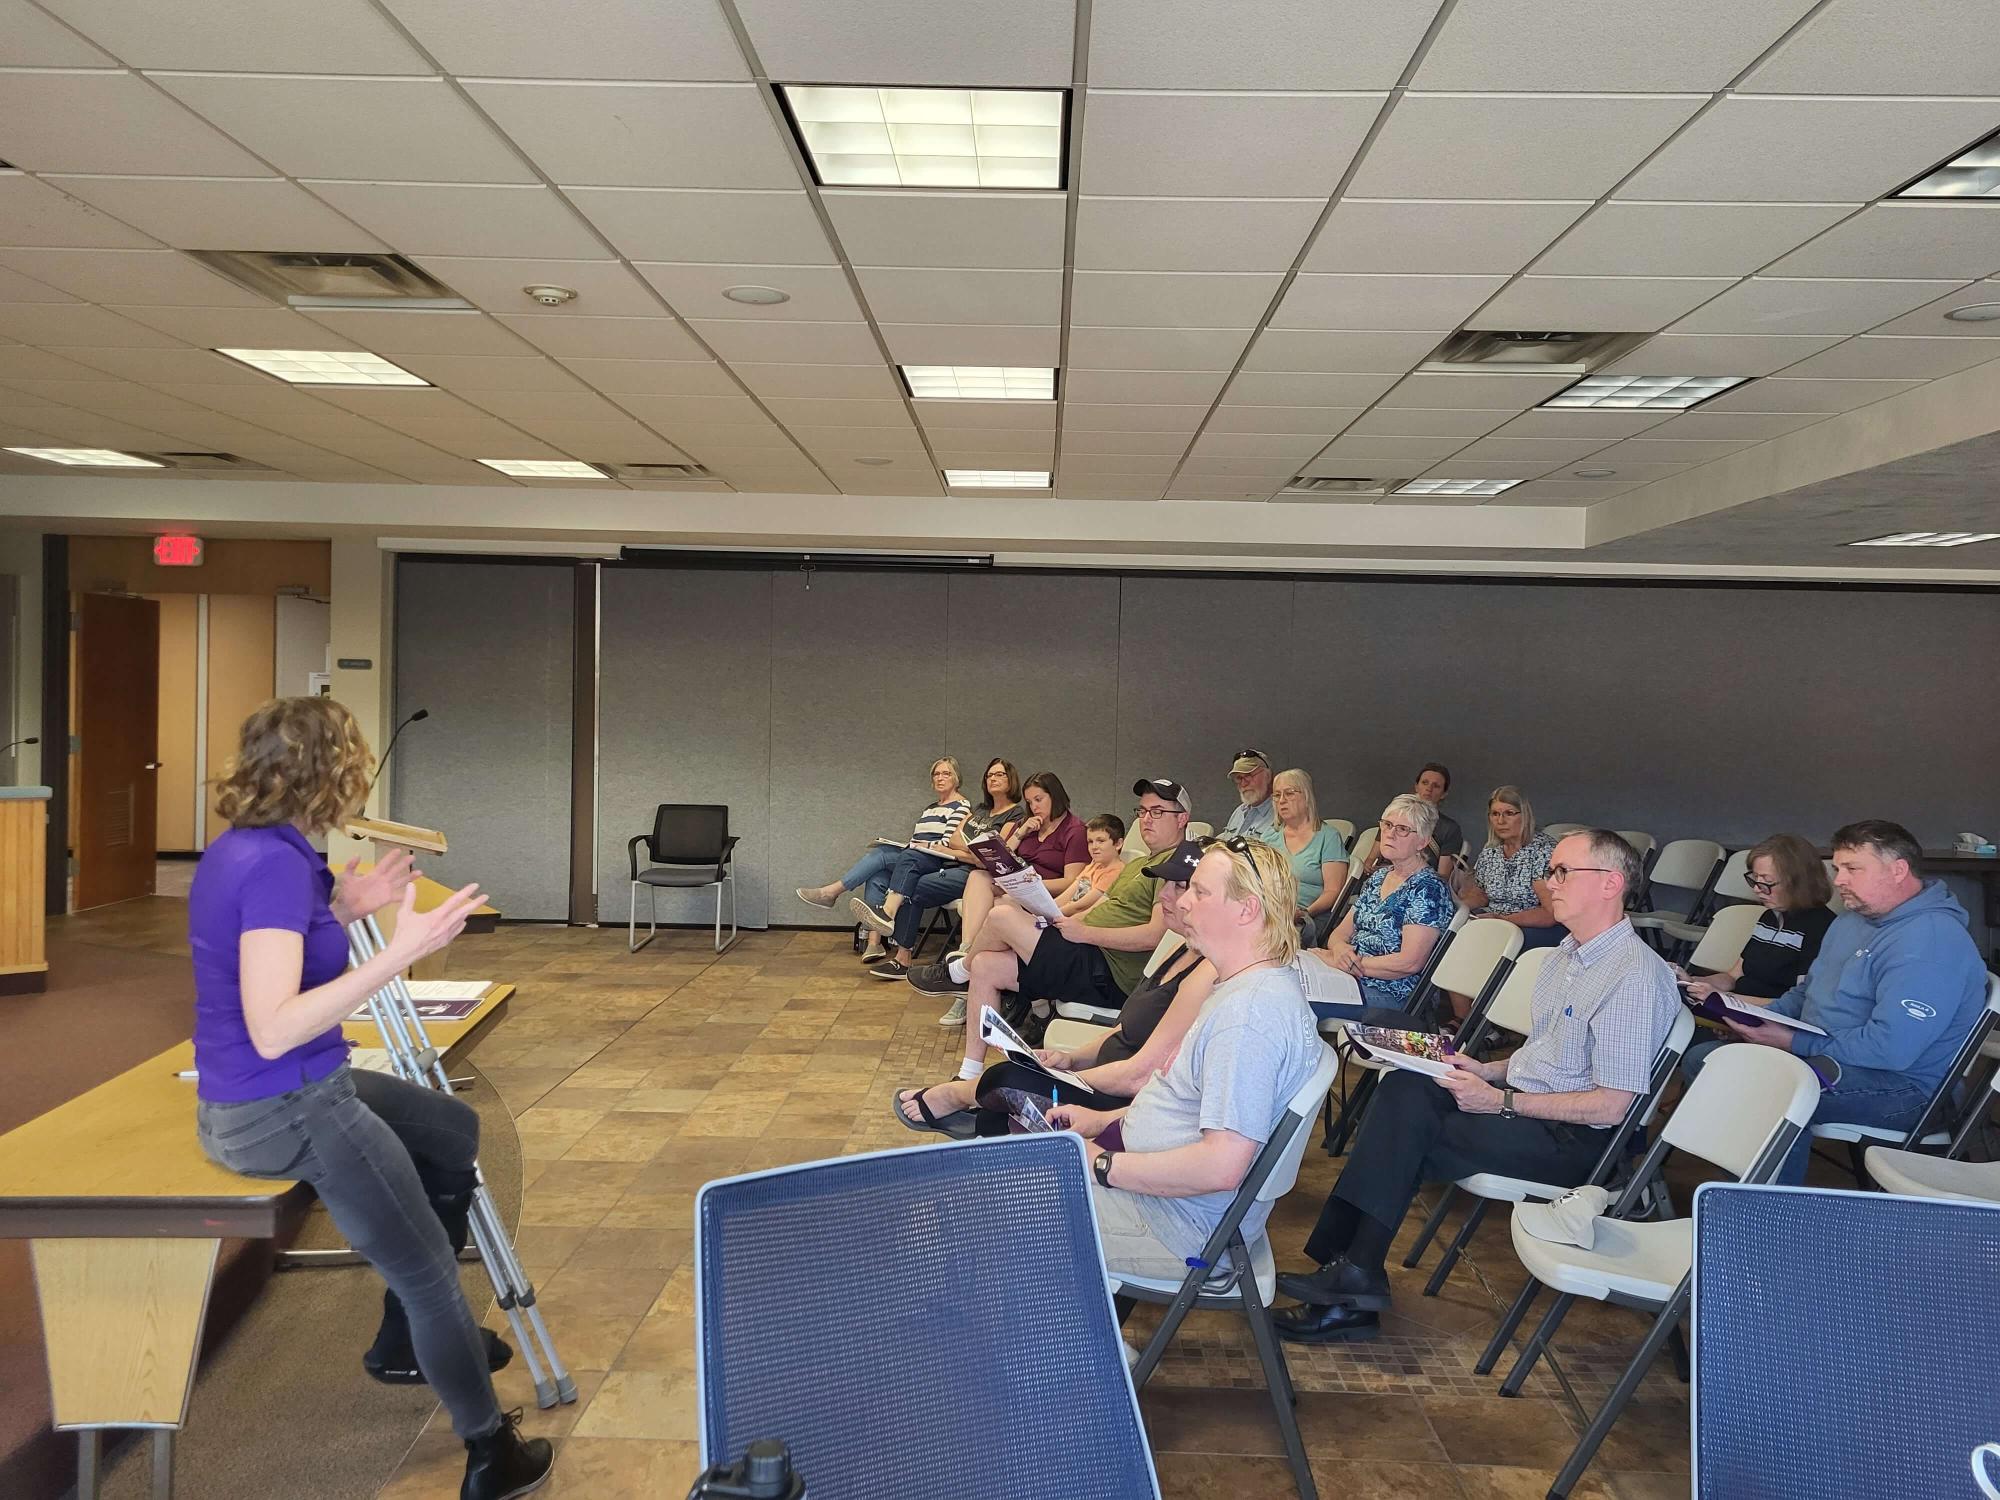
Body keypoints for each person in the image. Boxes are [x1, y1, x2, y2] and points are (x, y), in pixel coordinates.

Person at [188, 698, 551, 1499]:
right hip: (286, 1105)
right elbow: (276, 1026)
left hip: (281, 1091)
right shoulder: (274, 867)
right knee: (428, 1269)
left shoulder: (261, 848)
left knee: (453, 1128)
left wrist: (347, 906)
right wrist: (400, 953)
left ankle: (406, 1340)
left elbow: (282, 941)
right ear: (329, 772)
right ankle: (490, 1451)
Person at [1274, 829, 1679, 1344]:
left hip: (1576, 1140)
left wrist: (1501, 1100)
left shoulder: (1634, 978)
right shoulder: (1564, 957)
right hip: (1524, 1106)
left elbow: (1615, 1104)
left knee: (1412, 1130)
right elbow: (1549, 1060)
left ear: (1609, 884)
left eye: (1560, 872)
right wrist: (1488, 1071)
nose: (1546, 883)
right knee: (1403, 1087)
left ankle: (1351, 1282)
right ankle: (1350, 1271)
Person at [1046, 838, 1323, 1280]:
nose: (1182, 902)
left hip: (1175, 1226)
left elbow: (1222, 1164)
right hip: (1171, 1207)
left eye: (1199, 892)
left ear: (1246, 909)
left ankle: (1079, 1344)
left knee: (994, 1209)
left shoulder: (1247, 1020)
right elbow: (1189, 1102)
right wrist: (1101, 1122)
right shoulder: (1246, 985)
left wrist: (1100, 1162)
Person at [1683, 819, 1989, 1186]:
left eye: (1852, 869)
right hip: (1831, 1056)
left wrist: (1792, 1041)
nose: (1839, 879)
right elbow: (1808, 991)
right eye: (1838, 868)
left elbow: (1891, 1050)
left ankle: (1768, 1225)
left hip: (1908, 1089)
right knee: (1707, 1062)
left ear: (1897, 871)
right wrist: (1759, 1018)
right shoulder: (1852, 921)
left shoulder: (1931, 941)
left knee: (1767, 1091)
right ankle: (1741, 1200)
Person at [897, 778, 1190, 1110]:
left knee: (1002, 914)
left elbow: (1154, 936)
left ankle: (956, 971)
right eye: (1143, 811)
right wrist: (1057, 918)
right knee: (987, 966)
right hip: (1080, 947)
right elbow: (1098, 905)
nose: (1147, 819)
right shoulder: (1136, 864)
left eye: (1158, 812)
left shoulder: (1176, 867)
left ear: (1182, 819)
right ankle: (969, 1073)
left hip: (1105, 969)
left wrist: (1085, 933)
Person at [899, 839, 1216, 1138]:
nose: (1167, 896)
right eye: (1169, 886)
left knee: (1007, 1078)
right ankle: (985, 1121)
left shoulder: (1207, 972)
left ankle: (956, 1094)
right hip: (1103, 1071)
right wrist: (1071, 1059)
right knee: (1006, 1096)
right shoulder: (1181, 949)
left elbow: (1138, 1075)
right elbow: (1124, 1029)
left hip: (1117, 1098)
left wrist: (1064, 1078)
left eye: (1184, 888)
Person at [868, 771, 1087, 982]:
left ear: (1055, 796)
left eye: (1038, 799)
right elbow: (1003, 858)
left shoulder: (1074, 831)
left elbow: (1071, 883)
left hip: (1041, 892)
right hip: (1011, 882)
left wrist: (1026, 884)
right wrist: (1020, 834)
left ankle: (966, 971)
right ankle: (965, 951)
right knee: (978, 877)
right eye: (1029, 802)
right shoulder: (1024, 823)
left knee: (997, 898)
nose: (1034, 807)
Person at [793, 755, 972, 961]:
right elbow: (919, 838)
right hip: (916, 856)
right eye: (936, 774)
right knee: (877, 875)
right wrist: (913, 846)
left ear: (956, 778)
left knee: (881, 855)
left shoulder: (961, 806)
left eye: (946, 773)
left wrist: (922, 846)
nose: (940, 778)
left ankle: (833, 892)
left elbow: (949, 843)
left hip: (936, 861)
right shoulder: (930, 808)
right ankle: (874, 943)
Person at [1314, 794, 1455, 1009]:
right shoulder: (1379, 877)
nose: (1390, 834)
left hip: (1392, 992)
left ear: (1423, 841)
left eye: (1402, 829)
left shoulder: (1428, 888)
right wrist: (1340, 950)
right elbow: (1340, 933)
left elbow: (1410, 962)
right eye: (1387, 825)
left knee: (1299, 1001)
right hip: (1352, 976)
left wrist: (1349, 963)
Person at [1678, 834, 1834, 1000]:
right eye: (1754, 879)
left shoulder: (1822, 927)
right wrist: (1691, 981)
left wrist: (1724, 998)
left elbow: (1799, 1003)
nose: (1757, 890)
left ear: (1798, 883)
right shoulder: (1769, 917)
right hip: (1739, 1003)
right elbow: (1733, 977)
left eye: (1766, 882)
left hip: (1768, 1017)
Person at [1461, 785, 1562, 949]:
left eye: (1509, 813)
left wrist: (1502, 921)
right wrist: (1457, 908)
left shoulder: (1543, 851)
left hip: (1533, 927)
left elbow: (1551, 913)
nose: (1501, 821)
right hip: (1495, 920)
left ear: (1525, 815)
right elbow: (1480, 895)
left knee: (1489, 942)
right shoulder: (1491, 850)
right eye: (1495, 814)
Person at [1263, 768, 1349, 946]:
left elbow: (1333, 892)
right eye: (1277, 795)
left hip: (1308, 917)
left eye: (1289, 793)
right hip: (1270, 912)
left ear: (1307, 796)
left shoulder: (1328, 837)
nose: (1282, 801)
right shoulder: (1268, 837)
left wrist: (1303, 912)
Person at [1054, 814, 1128, 918]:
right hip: (1064, 916)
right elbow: (1067, 894)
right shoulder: (1094, 864)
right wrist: (1048, 908)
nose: (1094, 847)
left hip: (1080, 922)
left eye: (1101, 841)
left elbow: (1081, 906)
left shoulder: (1116, 871)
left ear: (1118, 844)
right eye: (1090, 842)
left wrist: (1051, 915)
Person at [1412, 762, 1464, 881]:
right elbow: (1370, 862)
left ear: (1444, 794)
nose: (1428, 789)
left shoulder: (1450, 828)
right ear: (1416, 786)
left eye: (1436, 786)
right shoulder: (1396, 817)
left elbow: (1442, 877)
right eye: (1425, 783)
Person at [1221, 748, 1277, 838]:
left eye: (1248, 775)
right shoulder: (1239, 812)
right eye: (1239, 778)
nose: (1243, 783)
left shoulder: (1282, 813)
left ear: (1268, 776)